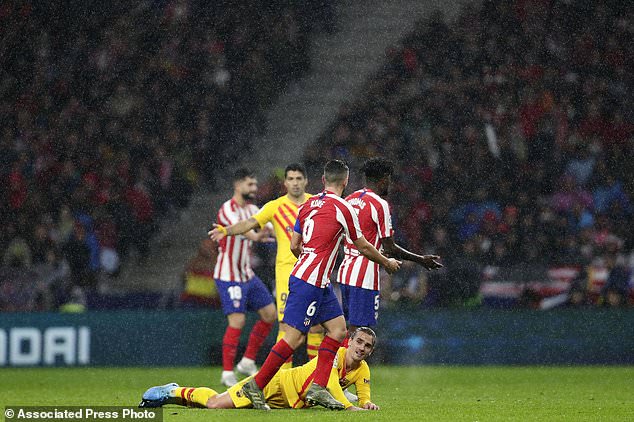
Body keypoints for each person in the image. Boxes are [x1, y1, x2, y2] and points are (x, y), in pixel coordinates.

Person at [239, 159, 401, 410]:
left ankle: (318, 387)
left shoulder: (306, 205)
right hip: (310, 282)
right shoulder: (344, 208)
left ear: (323, 180)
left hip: (316, 280)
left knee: (338, 330)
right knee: (293, 339)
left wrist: (310, 260)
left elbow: (295, 245)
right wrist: (386, 262)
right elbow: (363, 246)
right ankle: (256, 385)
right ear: (346, 182)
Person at [209, 163, 324, 366]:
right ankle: (282, 379)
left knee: (316, 326)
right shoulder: (274, 206)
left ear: (306, 181)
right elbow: (249, 224)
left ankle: (316, 379)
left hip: (314, 271)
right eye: (291, 179)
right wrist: (227, 231)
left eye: (299, 179)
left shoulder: (317, 203)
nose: (295, 183)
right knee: (286, 327)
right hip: (286, 274)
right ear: (285, 182)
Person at [139, 327, 380, 411]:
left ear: (370, 351)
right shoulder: (333, 354)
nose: (362, 348)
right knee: (215, 403)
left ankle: (176, 396)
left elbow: (364, 396)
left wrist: (366, 404)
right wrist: (349, 408)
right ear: (349, 341)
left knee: (223, 407)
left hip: (287, 403)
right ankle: (174, 391)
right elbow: (328, 383)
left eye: (367, 346)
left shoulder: (363, 369)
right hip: (274, 383)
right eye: (359, 342)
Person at [337, 158, 443, 332]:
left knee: (350, 331)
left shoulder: (349, 200)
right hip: (364, 276)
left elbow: (341, 236)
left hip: (345, 273)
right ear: (384, 179)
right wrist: (420, 259)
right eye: (390, 180)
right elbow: (390, 247)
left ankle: (338, 359)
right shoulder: (380, 205)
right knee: (361, 333)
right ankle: (335, 360)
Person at [212, 168, 277, 387]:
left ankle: (248, 360)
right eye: (250, 185)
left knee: (269, 314)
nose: (254, 189)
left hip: (247, 274)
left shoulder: (252, 208)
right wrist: (256, 235)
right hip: (228, 275)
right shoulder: (226, 209)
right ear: (238, 186)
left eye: (255, 185)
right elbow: (241, 229)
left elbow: (268, 225)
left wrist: (280, 231)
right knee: (237, 320)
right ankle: (227, 372)